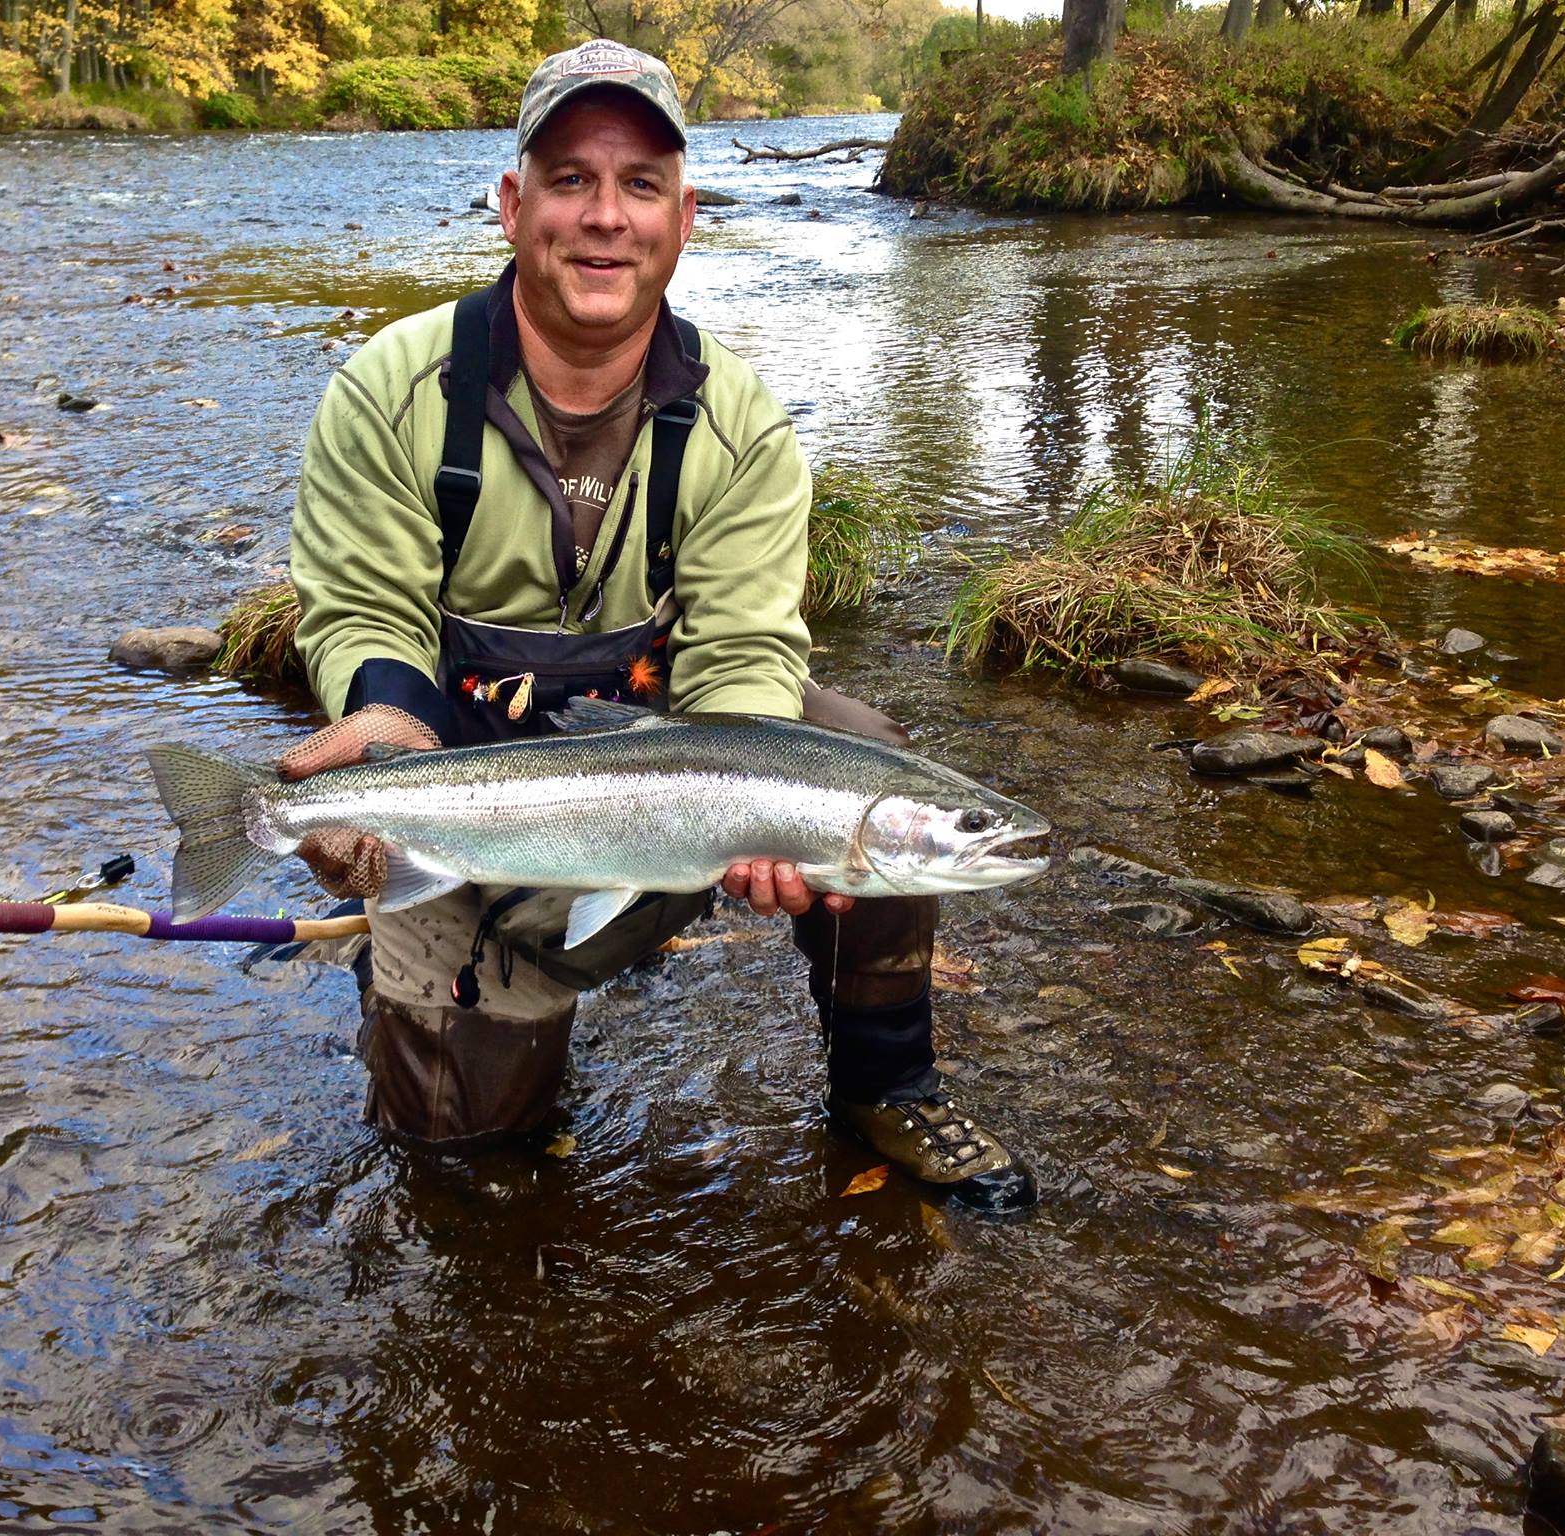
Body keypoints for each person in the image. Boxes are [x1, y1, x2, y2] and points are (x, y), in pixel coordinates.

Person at [283, 38, 1035, 1211]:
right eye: (569, 179)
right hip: (446, 756)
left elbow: (742, 651)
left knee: (858, 751)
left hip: (656, 761)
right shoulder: (391, 389)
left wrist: (746, 809)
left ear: (684, 215)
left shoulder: (736, 425)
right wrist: (383, 727)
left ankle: (887, 1086)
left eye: (638, 185)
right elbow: (366, 606)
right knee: (459, 1163)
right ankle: (413, 928)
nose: (603, 219)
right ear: (509, 203)